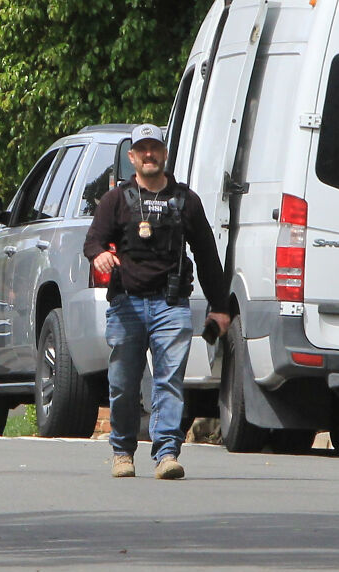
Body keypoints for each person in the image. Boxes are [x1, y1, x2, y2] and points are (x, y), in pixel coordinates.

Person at [83, 123, 231, 479]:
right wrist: (100, 255)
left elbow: (208, 255)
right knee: (122, 383)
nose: (149, 155)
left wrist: (221, 306)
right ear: (132, 157)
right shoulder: (115, 200)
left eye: (155, 149)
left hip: (171, 304)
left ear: (165, 154)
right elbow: (93, 242)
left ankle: (166, 454)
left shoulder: (185, 200)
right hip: (127, 306)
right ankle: (122, 451)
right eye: (142, 150)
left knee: (169, 381)